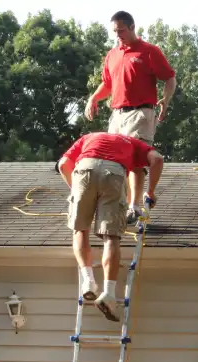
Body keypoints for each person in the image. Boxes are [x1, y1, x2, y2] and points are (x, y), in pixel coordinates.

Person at [57, 132, 164, 322]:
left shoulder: (89, 137)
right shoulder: (136, 144)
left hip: (84, 169)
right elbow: (157, 159)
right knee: (111, 237)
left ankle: (88, 282)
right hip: (113, 173)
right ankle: (108, 293)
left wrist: (76, 191)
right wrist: (151, 191)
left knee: (80, 229)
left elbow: (63, 164)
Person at [85, 10, 177, 225]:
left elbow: (170, 78)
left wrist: (166, 100)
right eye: (115, 32)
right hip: (117, 114)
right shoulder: (112, 54)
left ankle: (134, 206)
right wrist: (93, 99)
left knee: (136, 159)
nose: (118, 35)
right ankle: (118, 203)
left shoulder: (149, 51)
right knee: (113, 161)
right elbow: (108, 84)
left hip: (140, 113)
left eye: (121, 30)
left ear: (132, 27)